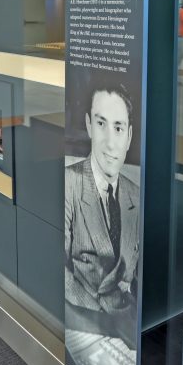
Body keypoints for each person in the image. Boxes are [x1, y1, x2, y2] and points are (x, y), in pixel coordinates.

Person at [64, 82, 140, 344]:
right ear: (88, 126)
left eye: (118, 128)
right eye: (101, 124)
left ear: (129, 137)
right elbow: (59, 268)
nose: (110, 143)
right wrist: (99, 320)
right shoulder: (70, 184)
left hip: (127, 322)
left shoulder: (135, 196)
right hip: (81, 319)